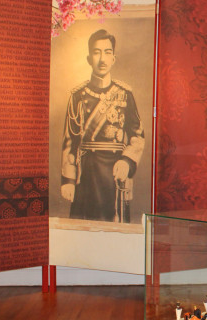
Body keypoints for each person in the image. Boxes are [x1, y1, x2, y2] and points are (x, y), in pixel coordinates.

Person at [61, 29, 145, 222]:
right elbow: (69, 140)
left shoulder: (125, 94)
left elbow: (137, 135)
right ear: (89, 58)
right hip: (86, 173)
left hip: (115, 172)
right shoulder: (77, 96)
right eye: (97, 52)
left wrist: (127, 161)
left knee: (114, 227)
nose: (102, 59)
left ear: (113, 58)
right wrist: (68, 180)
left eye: (107, 52)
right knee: (84, 228)